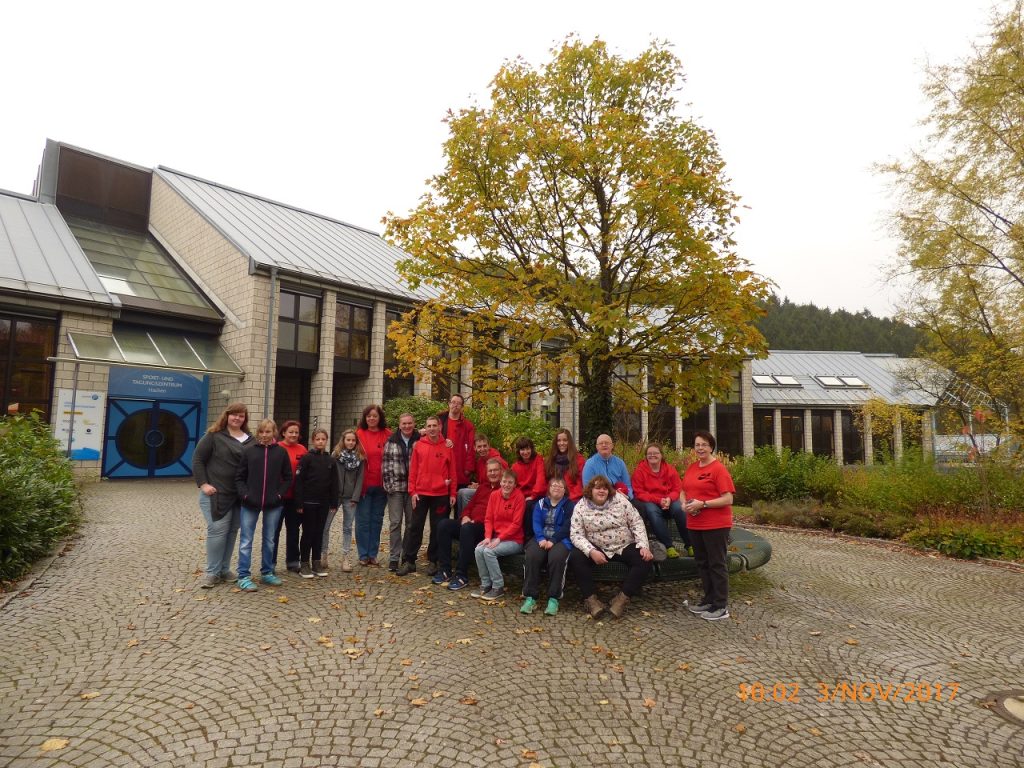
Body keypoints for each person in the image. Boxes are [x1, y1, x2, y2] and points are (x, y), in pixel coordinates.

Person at [569, 475, 653, 619]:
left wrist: (644, 545)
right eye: (597, 488)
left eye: (604, 488)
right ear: (590, 490)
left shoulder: (620, 500)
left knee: (644, 559)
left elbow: (636, 522)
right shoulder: (581, 506)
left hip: (622, 545)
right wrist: (591, 551)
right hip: (597, 547)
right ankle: (591, 600)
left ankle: (621, 599)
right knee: (576, 557)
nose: (601, 491)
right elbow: (576, 534)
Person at [193, 403, 251, 588]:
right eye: (234, 415)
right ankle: (212, 572)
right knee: (217, 531)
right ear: (226, 416)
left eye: (241, 416)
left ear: (245, 419)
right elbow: (198, 459)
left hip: (239, 496)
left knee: (232, 532)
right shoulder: (214, 436)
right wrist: (203, 484)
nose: (237, 418)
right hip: (216, 494)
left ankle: (224, 569)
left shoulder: (251, 440)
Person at [682, 430, 736, 622]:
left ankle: (721, 605)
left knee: (716, 564)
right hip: (695, 523)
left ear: (711, 446)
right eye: (697, 445)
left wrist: (703, 504)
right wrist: (684, 504)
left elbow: (728, 498)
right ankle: (709, 599)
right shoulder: (692, 468)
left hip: (716, 524)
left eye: (704, 444)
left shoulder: (718, 469)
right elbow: (683, 489)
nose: (700, 448)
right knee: (702, 564)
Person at [234, 419, 293, 591]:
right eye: (262, 432)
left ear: (274, 432)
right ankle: (243, 575)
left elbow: (288, 477)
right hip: (250, 503)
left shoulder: (281, 452)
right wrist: (245, 494)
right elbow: (239, 477)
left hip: (273, 504)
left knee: (269, 540)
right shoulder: (248, 451)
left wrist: (279, 494)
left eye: (268, 432)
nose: (265, 435)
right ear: (258, 433)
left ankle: (267, 572)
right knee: (246, 540)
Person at [433, 458, 503, 590]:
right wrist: (465, 515)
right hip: (469, 523)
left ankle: (461, 575)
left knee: (467, 529)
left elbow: (498, 515)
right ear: (487, 473)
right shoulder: (483, 487)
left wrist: (475, 521)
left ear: (501, 471)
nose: (493, 473)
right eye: (490, 471)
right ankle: (445, 570)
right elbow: (470, 506)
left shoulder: (503, 490)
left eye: (495, 470)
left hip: (486, 528)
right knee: (443, 525)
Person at [399, 415, 456, 575]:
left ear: (439, 427)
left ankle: (433, 560)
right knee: (415, 527)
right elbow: (413, 471)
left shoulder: (447, 446)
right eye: (429, 426)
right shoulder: (419, 445)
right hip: (421, 493)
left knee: (437, 528)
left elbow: (452, 472)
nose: (432, 428)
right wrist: (413, 492)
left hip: (441, 494)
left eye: (434, 426)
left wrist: (452, 493)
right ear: (426, 428)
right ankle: (409, 561)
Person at [520, 476, 573, 616]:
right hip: (541, 538)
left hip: (561, 539)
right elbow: (536, 522)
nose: (557, 488)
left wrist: (554, 540)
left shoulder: (569, 505)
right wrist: (541, 538)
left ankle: (553, 598)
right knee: (532, 556)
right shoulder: (540, 503)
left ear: (564, 490)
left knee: (557, 558)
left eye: (560, 486)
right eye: (554, 485)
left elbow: (568, 526)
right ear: (549, 489)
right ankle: (530, 597)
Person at [472, 469, 525, 601]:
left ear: (515, 484)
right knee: (479, 549)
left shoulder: (519, 497)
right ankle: (485, 584)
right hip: (496, 537)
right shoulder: (494, 495)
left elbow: (516, 524)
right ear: (500, 482)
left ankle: (498, 586)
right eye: (504, 481)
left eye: (510, 482)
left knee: (489, 552)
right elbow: (488, 519)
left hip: (514, 540)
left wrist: (499, 539)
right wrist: (488, 537)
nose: (506, 485)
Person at [294, 428, 339, 578]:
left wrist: (334, 502)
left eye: (323, 439)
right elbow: (299, 482)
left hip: (324, 503)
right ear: (313, 441)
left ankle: (316, 562)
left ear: (327, 441)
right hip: (308, 502)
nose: (320, 442)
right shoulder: (307, 458)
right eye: (318, 439)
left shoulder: (330, 460)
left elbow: (334, 483)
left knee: (319, 533)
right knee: (308, 532)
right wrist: (299, 503)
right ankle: (304, 563)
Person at [631, 443, 689, 559]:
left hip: (669, 500)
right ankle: (668, 546)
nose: (652, 455)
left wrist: (669, 499)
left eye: (655, 453)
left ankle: (690, 544)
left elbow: (677, 488)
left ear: (661, 455)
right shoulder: (640, 471)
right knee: (652, 511)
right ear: (646, 456)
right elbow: (639, 492)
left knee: (679, 509)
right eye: (649, 454)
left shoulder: (670, 470)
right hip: (651, 501)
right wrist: (659, 500)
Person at [355, 405, 392, 566]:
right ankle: (363, 554)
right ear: (365, 418)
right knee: (363, 520)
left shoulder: (388, 434)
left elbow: (407, 439)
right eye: (369, 416)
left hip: (382, 485)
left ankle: (373, 554)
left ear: (380, 418)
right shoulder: (358, 435)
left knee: (377, 520)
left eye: (374, 416)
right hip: (363, 485)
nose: (371, 419)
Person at [382, 412, 419, 572]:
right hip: (395, 488)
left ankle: (407, 556)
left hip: (413, 489)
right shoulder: (391, 441)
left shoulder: (420, 440)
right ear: (399, 425)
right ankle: (394, 557)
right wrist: (389, 486)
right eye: (404, 423)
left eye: (409, 423)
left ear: (414, 423)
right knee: (395, 523)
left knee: (411, 524)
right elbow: (385, 465)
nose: (407, 426)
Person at [274, 420, 308, 574]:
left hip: (296, 497)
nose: (294, 435)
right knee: (274, 530)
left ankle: (293, 561)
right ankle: (270, 562)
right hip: (278, 496)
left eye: (296, 432)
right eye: (290, 432)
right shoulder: (277, 448)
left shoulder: (302, 449)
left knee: (293, 530)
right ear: (283, 433)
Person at [330, 428, 365, 573]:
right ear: (343, 441)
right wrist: (330, 496)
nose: (350, 442)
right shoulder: (335, 455)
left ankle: (346, 558)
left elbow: (360, 479)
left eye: (353, 440)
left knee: (347, 527)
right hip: (335, 496)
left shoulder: (360, 458)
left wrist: (355, 498)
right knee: (326, 525)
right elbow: (330, 477)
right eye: (348, 440)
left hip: (350, 497)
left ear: (356, 442)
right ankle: (323, 555)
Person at [455, 434, 507, 515]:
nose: (482, 449)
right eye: (479, 447)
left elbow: (504, 481)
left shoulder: (497, 461)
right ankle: (461, 518)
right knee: (460, 491)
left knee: (465, 493)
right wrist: (477, 485)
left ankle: (468, 518)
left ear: (489, 446)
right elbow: (483, 481)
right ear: (474, 448)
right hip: (484, 490)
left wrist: (480, 487)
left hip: (495, 492)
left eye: (484, 446)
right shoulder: (480, 461)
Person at [511, 436, 548, 542]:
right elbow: (514, 486)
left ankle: (528, 537)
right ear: (519, 451)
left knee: (529, 506)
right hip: (522, 496)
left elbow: (540, 481)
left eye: (528, 449)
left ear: (531, 449)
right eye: (522, 449)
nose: (525, 452)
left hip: (538, 494)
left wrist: (533, 495)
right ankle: (516, 535)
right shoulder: (515, 467)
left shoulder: (538, 460)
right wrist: (519, 497)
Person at [437, 394, 475, 489]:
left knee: (458, 498)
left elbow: (471, 448)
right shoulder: (439, 422)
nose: (455, 405)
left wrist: (469, 468)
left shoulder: (468, 426)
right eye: (453, 402)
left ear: (462, 407)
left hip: (460, 467)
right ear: (449, 404)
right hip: (441, 465)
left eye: (459, 403)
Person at [543, 428, 586, 503]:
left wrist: (567, 499)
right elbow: (546, 481)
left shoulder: (579, 460)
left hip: (572, 498)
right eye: (559, 440)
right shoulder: (549, 460)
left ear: (569, 442)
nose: (562, 443)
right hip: (552, 497)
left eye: (565, 440)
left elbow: (580, 483)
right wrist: (551, 496)